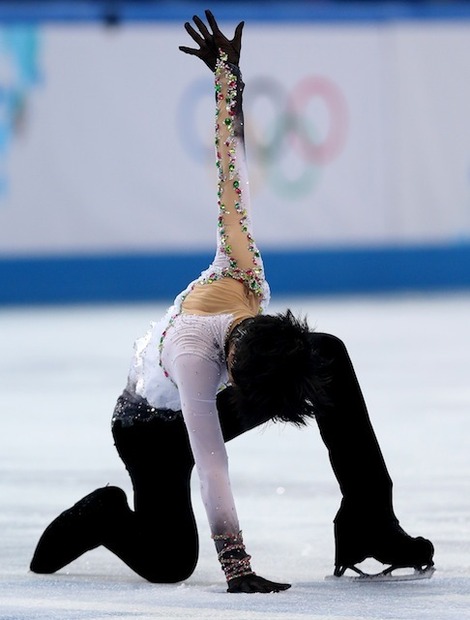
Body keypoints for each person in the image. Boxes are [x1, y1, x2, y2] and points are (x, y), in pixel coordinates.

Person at [30, 11, 434, 593]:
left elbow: (230, 168)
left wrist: (229, 79)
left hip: (224, 378)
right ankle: (105, 515)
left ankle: (370, 518)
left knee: (329, 355)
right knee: (170, 562)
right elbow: (212, 465)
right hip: (153, 428)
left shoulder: (239, 266)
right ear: (236, 377)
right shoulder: (197, 358)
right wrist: (238, 570)